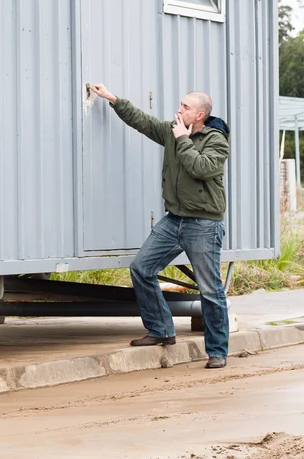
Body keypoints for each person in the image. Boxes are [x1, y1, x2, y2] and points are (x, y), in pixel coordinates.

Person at [89, 84, 230, 369]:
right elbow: (143, 122)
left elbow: (200, 168)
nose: (179, 110)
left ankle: (217, 351)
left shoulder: (217, 140)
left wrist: (182, 140)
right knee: (142, 268)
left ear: (200, 114)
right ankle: (162, 330)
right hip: (174, 218)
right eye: (180, 105)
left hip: (203, 223)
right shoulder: (172, 130)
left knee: (210, 289)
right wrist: (113, 99)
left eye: (185, 107)